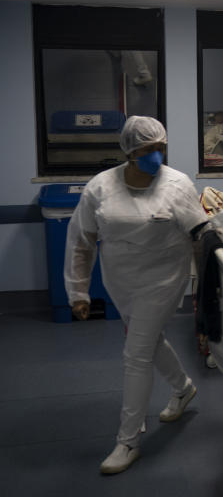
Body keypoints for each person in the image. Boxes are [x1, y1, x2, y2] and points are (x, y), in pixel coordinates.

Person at [64, 116, 209, 475]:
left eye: (161, 148)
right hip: (120, 280)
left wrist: (203, 289)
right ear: (130, 152)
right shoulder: (101, 187)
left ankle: (128, 441)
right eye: (148, 150)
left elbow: (200, 237)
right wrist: (78, 290)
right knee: (148, 340)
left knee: (136, 354)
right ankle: (183, 387)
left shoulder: (177, 185)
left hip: (164, 278)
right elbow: (81, 241)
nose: (157, 156)